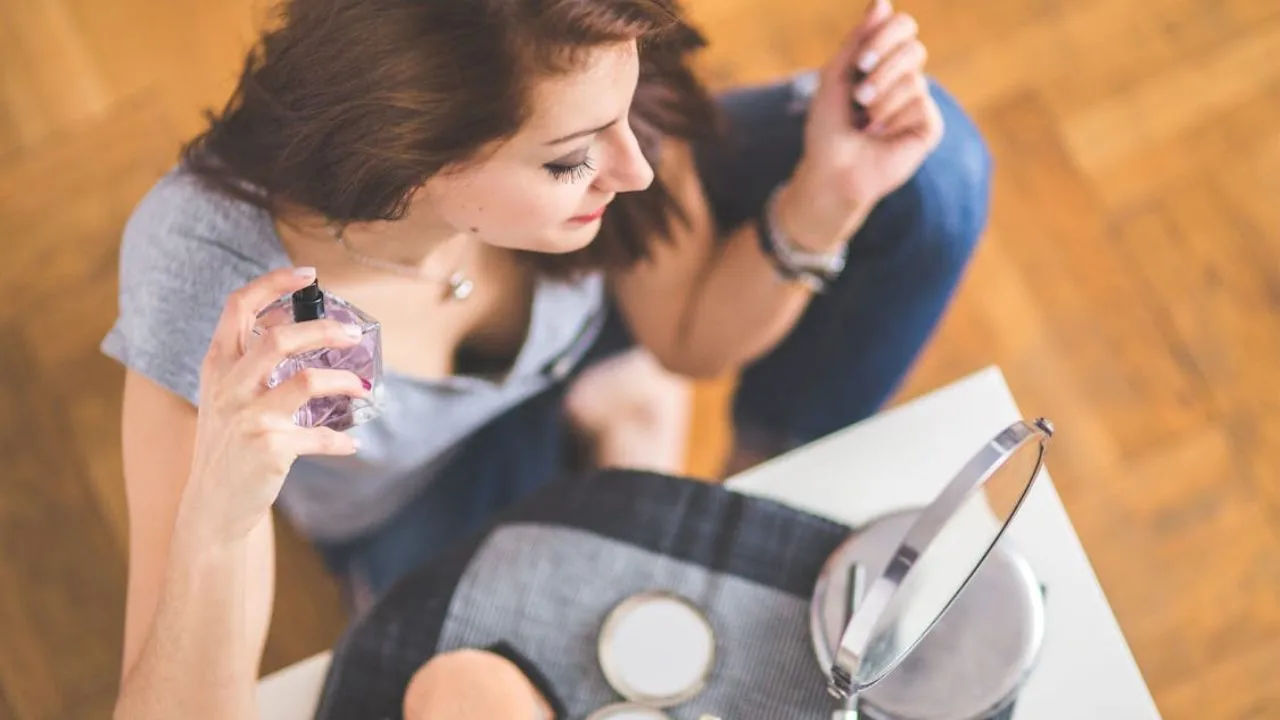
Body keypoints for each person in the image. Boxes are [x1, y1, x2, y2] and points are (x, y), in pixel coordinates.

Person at [105, 0, 992, 715]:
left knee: (933, 171)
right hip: (423, 493)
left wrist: (827, 200)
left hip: (594, 342)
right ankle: (624, 425)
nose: (636, 171)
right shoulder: (223, 289)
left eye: (622, 118)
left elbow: (689, 340)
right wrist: (215, 522)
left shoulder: (579, 56)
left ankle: (749, 478)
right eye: (571, 160)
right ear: (413, 167)